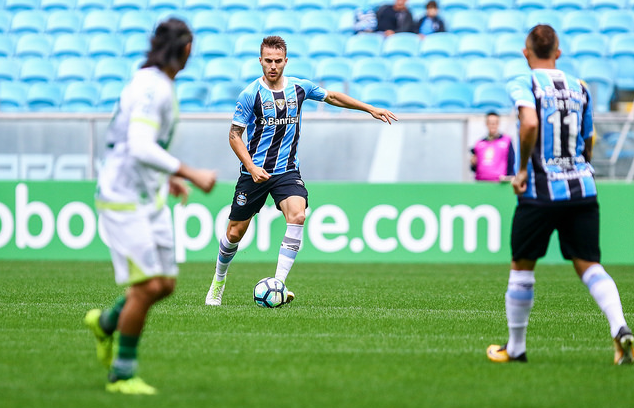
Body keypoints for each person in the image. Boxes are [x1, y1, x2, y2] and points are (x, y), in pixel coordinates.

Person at [204, 35, 398, 306]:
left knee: (297, 215)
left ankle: (278, 284)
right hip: (254, 174)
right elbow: (235, 135)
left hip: (287, 171)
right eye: (268, 61)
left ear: (286, 61)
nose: (273, 66)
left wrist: (369, 108)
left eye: (278, 61)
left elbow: (331, 96)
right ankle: (219, 281)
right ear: (260, 61)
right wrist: (251, 166)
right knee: (234, 233)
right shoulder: (250, 94)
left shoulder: (298, 88)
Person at [84, 18, 218, 394]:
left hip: (147, 193)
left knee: (165, 285)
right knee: (146, 287)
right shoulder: (152, 88)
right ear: (186, 50)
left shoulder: (155, 83)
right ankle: (122, 375)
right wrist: (189, 172)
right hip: (123, 198)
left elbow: (138, 145)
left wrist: (169, 177)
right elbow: (140, 145)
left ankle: (107, 323)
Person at [486, 24, 633, 365]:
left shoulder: (523, 82)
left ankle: (517, 347)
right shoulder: (580, 86)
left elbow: (530, 123)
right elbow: (589, 138)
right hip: (582, 187)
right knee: (590, 265)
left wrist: (522, 169)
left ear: (526, 53)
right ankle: (620, 327)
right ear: (559, 53)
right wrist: (578, 167)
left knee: (522, 267)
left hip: (539, 190)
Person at [470, 111, 515, 182]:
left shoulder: (506, 141)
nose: (492, 125)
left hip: (500, 182)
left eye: (495, 122)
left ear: (498, 123)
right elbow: (474, 167)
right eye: (490, 123)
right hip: (481, 182)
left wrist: (510, 178)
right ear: (486, 124)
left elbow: (511, 161)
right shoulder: (479, 144)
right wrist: (473, 163)